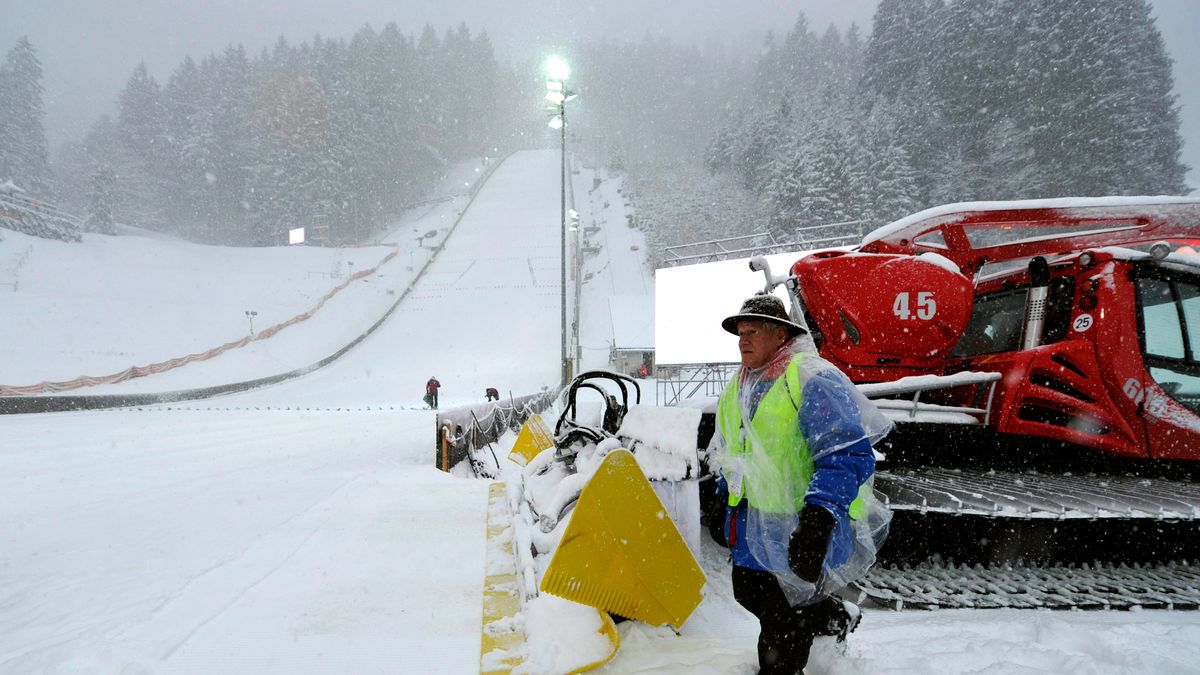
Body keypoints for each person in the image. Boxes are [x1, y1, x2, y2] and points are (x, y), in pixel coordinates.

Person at [709, 294, 892, 674]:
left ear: (780, 336)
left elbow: (845, 455)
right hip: (754, 524)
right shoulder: (740, 384)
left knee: (782, 626)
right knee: (749, 593)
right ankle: (833, 616)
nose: (743, 340)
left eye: (753, 331)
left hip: (802, 521)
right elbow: (733, 450)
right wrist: (723, 499)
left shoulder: (811, 378)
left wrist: (818, 520)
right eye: (740, 333)